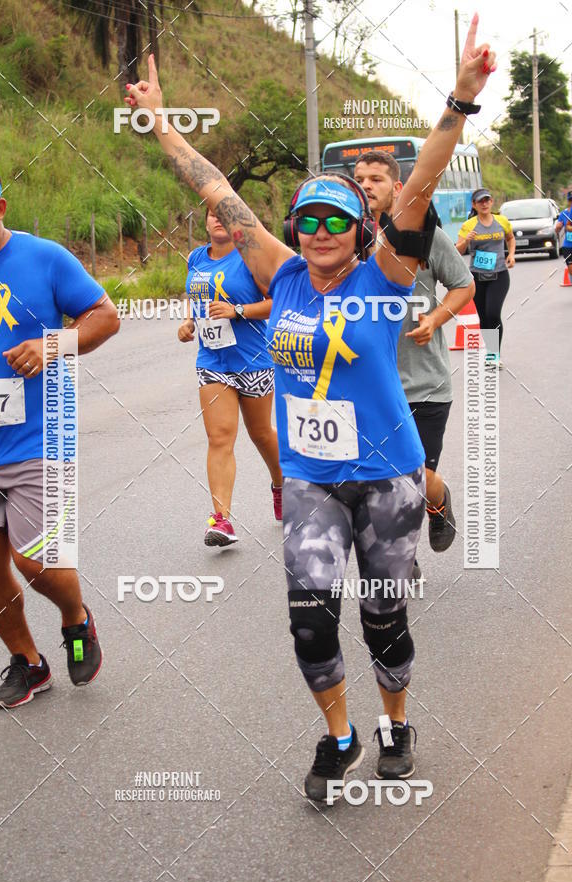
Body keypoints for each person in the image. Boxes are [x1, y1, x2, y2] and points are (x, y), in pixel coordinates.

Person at [124, 14, 495, 801]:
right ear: (294, 228)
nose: (321, 231)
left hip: (390, 478)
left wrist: (459, 102)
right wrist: (160, 124)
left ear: (359, 231)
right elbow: (214, 188)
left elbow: (421, 182)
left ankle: (397, 722)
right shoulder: (284, 275)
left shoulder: (385, 274)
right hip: (311, 481)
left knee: (384, 622)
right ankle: (340, 736)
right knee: (311, 620)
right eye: (308, 220)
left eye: (337, 220)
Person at [0, 161, 119, 708]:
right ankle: (28, 663)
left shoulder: (44, 258)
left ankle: (76, 619)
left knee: (36, 562)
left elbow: (105, 316)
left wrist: (51, 345)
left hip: (39, 439)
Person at [354, 150, 475, 573]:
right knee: (378, 479)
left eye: (376, 179)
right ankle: (402, 556)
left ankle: (438, 503)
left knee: (413, 474)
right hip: (372, 384)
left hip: (425, 383)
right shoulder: (347, 237)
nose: (367, 185)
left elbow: (463, 284)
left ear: (397, 187)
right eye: (360, 178)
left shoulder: (425, 235)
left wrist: (435, 318)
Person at [178, 207, 283, 545]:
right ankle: (221, 520)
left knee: (261, 434)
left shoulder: (252, 257)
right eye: (212, 214)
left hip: (252, 359)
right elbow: (198, 300)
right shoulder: (196, 257)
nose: (217, 219)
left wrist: (238, 311)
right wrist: (190, 323)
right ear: (205, 221)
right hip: (212, 361)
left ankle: (282, 485)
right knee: (220, 437)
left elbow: (276, 301)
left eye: (224, 213)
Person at [456, 187, 514, 368]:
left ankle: (495, 354)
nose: (484, 203)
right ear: (474, 204)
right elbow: (457, 251)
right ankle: (491, 352)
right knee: (483, 317)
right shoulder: (469, 225)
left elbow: (510, 238)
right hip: (477, 276)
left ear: (491, 202)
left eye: (487, 200)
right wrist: (467, 240)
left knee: (493, 313)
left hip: (499, 274)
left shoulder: (502, 221)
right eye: (480, 201)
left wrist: (511, 255)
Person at [554, 190, 572, 280]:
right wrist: (558, 227)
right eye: (571, 200)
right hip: (568, 245)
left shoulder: (564, 213)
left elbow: (559, 228)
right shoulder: (564, 213)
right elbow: (558, 228)